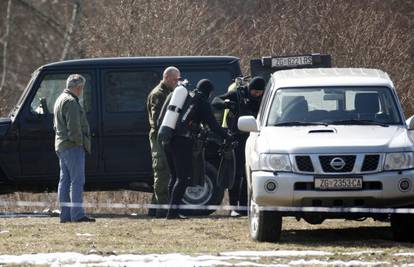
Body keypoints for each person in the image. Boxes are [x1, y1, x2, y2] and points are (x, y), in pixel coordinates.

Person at [165, 79, 230, 219]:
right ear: (209, 92)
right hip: (183, 142)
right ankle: (172, 214)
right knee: (182, 178)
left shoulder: (188, 97)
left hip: (169, 139)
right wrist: (227, 136)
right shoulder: (202, 102)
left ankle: (171, 212)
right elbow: (213, 125)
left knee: (175, 177)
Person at [212, 76, 266, 216]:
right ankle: (233, 207)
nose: (257, 95)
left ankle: (244, 207)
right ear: (250, 89)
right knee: (236, 174)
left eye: (260, 92)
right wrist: (228, 105)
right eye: (255, 92)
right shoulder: (238, 94)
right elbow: (215, 101)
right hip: (237, 138)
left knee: (248, 173)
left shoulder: (264, 98)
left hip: (255, 138)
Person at [53, 74, 95, 223]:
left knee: (64, 181)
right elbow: (74, 128)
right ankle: (77, 215)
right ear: (78, 88)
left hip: (62, 145)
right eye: (81, 88)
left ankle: (65, 215)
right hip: (72, 146)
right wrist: (79, 143)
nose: (82, 91)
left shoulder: (59, 99)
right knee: (77, 181)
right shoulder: (71, 102)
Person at [146, 66, 181, 218]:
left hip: (166, 137)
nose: (176, 82)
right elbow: (156, 121)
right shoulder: (158, 94)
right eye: (174, 79)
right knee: (162, 172)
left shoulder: (171, 92)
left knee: (164, 172)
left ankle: (154, 208)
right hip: (159, 137)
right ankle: (162, 209)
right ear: (166, 78)